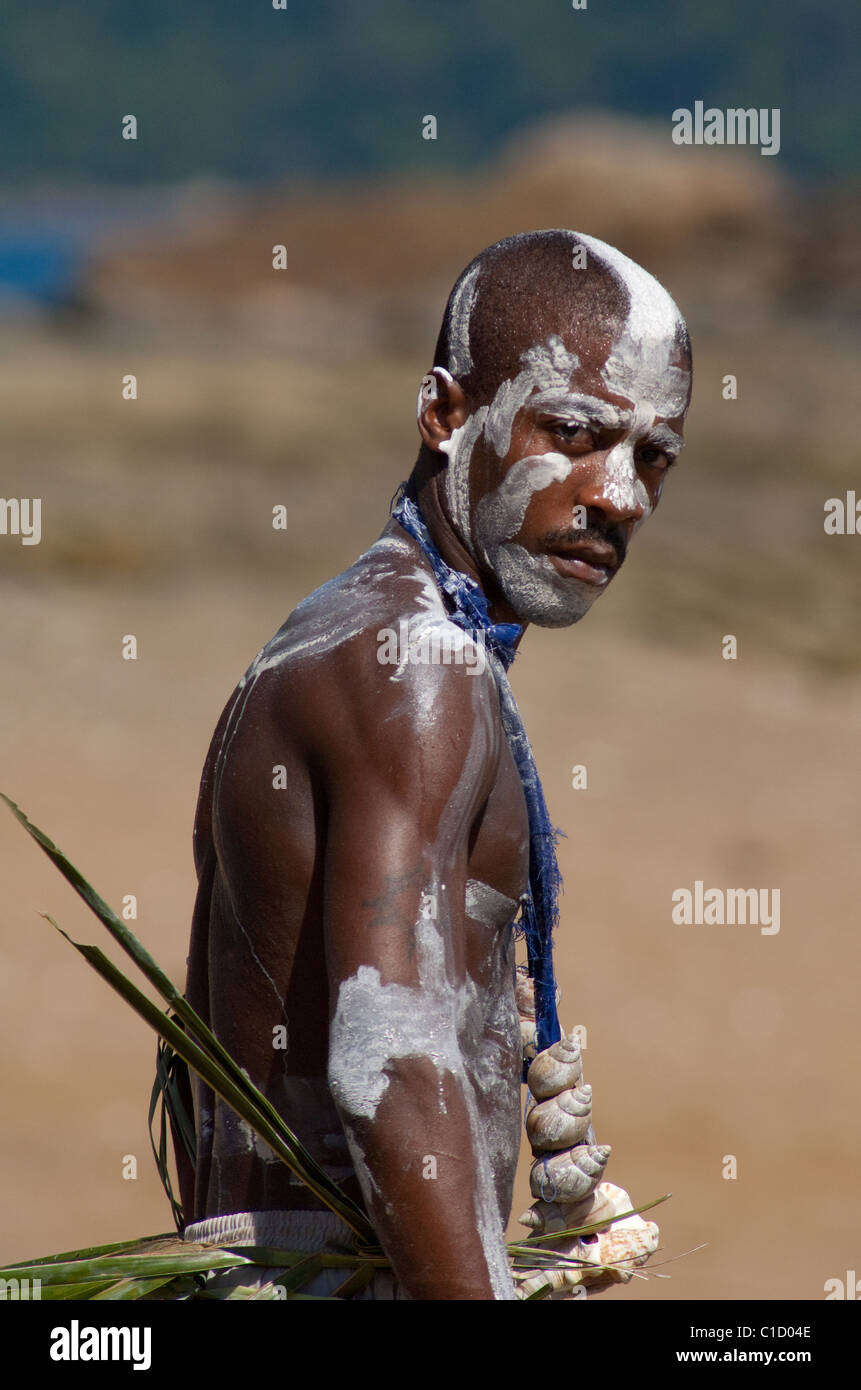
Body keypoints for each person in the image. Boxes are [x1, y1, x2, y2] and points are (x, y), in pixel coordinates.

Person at [176, 228, 692, 1300]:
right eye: (577, 432)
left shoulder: (360, 631)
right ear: (447, 414)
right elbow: (393, 1060)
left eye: (652, 458)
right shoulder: (414, 666)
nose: (621, 495)